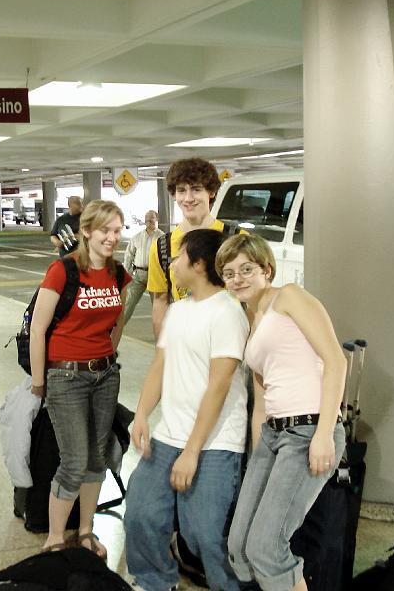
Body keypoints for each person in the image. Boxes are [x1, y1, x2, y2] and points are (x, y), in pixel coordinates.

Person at [218, 234, 346, 591]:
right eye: (229, 274)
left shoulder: (289, 297)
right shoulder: (250, 321)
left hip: (309, 430)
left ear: (266, 269)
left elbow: (336, 360)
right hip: (273, 436)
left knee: (267, 547)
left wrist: (324, 432)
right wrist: (258, 453)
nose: (237, 279)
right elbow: (261, 398)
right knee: (239, 547)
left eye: (246, 269)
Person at [125, 229, 248, 591]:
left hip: (214, 443)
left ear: (198, 263)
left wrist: (192, 452)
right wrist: (142, 414)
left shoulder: (227, 313)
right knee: (141, 515)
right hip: (167, 436)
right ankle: (154, 582)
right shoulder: (177, 311)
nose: (172, 262)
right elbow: (160, 366)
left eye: (178, 256)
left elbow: (219, 386)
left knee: (204, 536)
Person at [29, 199, 131, 556]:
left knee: (96, 457)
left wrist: (107, 353)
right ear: (87, 231)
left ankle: (86, 531)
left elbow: (117, 320)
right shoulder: (63, 271)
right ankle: (56, 536)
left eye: (117, 231)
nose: (112, 238)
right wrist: (40, 381)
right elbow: (39, 328)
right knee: (73, 459)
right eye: (105, 230)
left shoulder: (118, 274)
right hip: (65, 377)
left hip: (104, 376)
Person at [147, 158, 225, 339]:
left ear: (211, 192)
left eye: (196, 189)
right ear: (174, 195)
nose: (188, 198)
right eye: (181, 190)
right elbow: (160, 301)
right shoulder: (162, 247)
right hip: (185, 345)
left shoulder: (236, 239)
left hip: (229, 344)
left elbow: (254, 300)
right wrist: (163, 354)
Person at [122, 210, 164, 326]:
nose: (149, 220)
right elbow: (128, 256)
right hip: (139, 275)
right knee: (128, 304)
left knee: (158, 306)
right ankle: (116, 330)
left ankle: (163, 334)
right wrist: (126, 274)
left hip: (155, 276)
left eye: (151, 218)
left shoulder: (162, 237)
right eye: (147, 218)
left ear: (157, 219)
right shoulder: (137, 237)